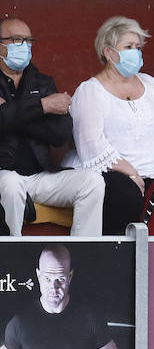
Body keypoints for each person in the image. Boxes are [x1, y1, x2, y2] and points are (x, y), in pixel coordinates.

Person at [64, 17, 154, 235]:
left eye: (138, 47)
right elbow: (91, 145)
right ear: (109, 52)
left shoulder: (151, 84)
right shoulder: (90, 90)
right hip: (111, 173)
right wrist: (131, 173)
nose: (136, 53)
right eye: (128, 47)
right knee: (126, 195)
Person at [0, 18, 104, 236]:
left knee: (92, 182)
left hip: (41, 176)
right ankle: (11, 260)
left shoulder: (43, 82)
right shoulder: (46, 97)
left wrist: (12, 115)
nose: (24, 46)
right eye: (16, 40)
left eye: (28, 40)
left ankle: (85, 256)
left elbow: (60, 134)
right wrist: (44, 107)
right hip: (4, 174)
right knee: (10, 184)